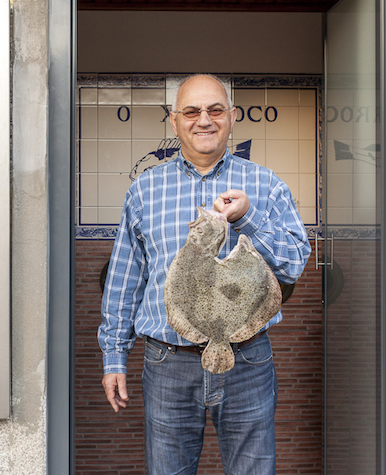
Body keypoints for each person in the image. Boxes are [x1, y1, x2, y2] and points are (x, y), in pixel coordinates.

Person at [98, 74, 311, 475]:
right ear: (174, 121)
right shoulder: (144, 189)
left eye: (215, 110)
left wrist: (248, 218)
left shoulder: (266, 184)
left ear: (232, 117)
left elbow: (294, 261)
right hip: (167, 361)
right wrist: (114, 357)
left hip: (247, 358)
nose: (204, 120)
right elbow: (125, 280)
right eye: (191, 111)